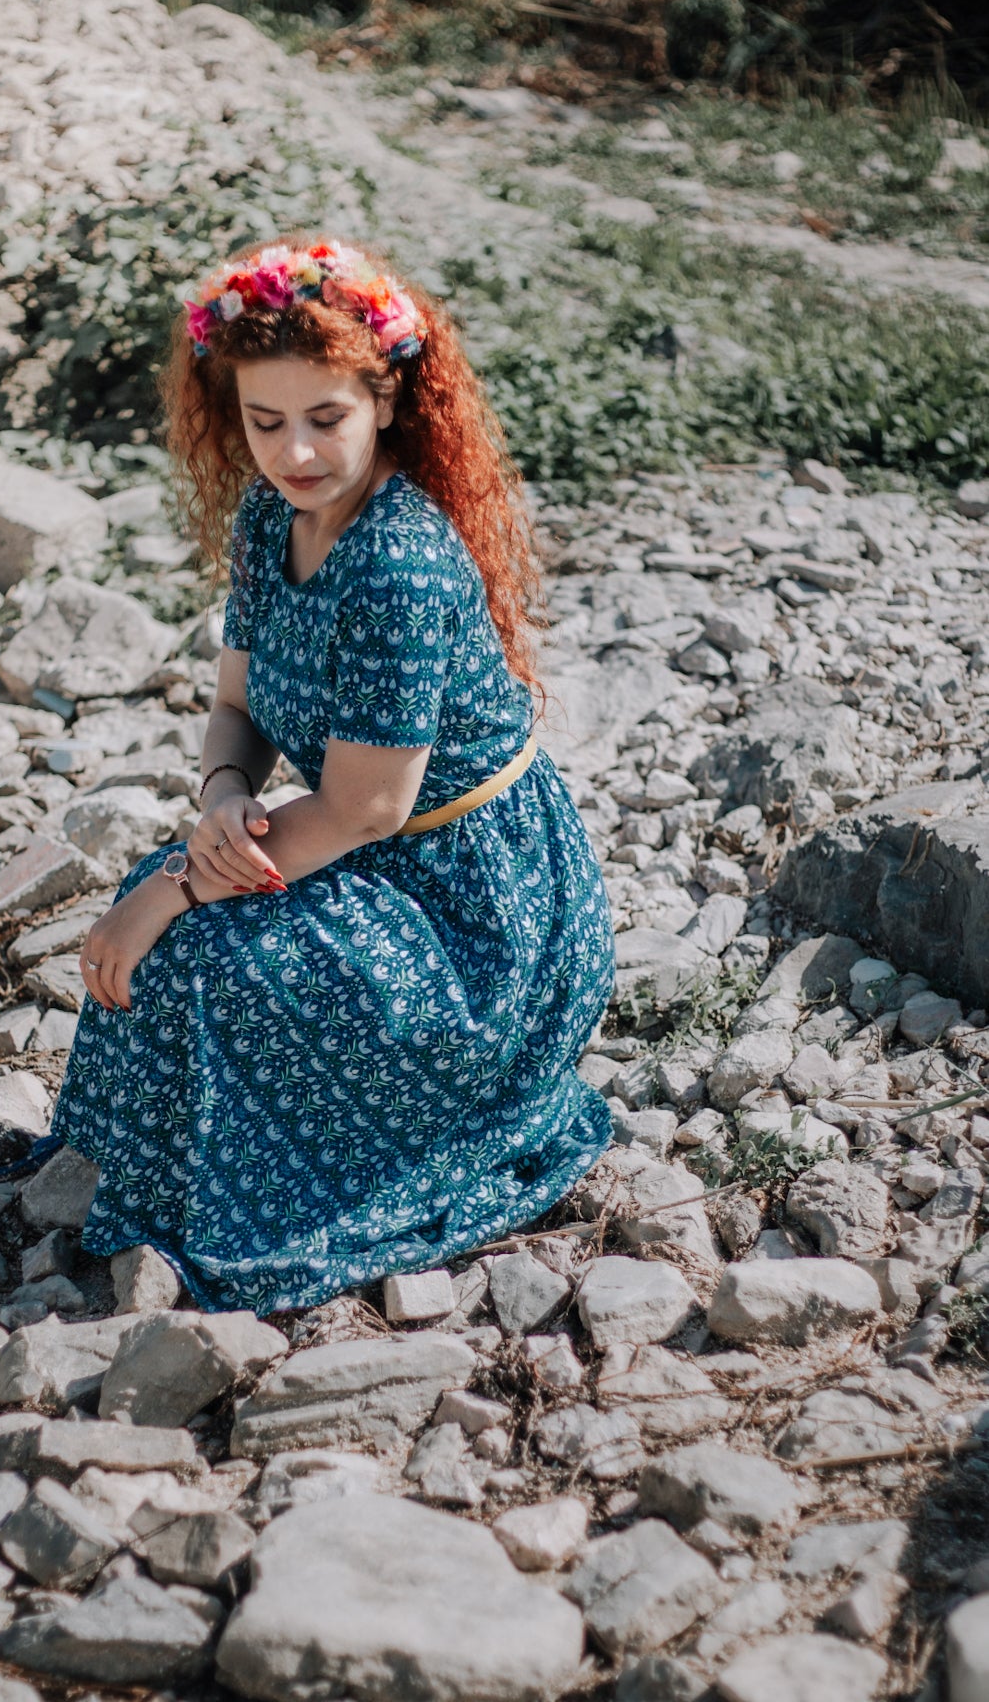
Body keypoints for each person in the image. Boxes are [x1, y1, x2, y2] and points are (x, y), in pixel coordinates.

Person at [51, 236, 614, 1316]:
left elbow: (365, 805)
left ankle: (258, 1189)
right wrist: (220, 799)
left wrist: (177, 882)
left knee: (197, 941)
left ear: (388, 399)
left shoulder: (396, 562)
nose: (295, 452)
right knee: (175, 918)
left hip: (479, 911)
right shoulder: (273, 519)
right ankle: (190, 1175)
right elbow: (236, 707)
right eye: (266, 422)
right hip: (377, 847)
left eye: (326, 418)